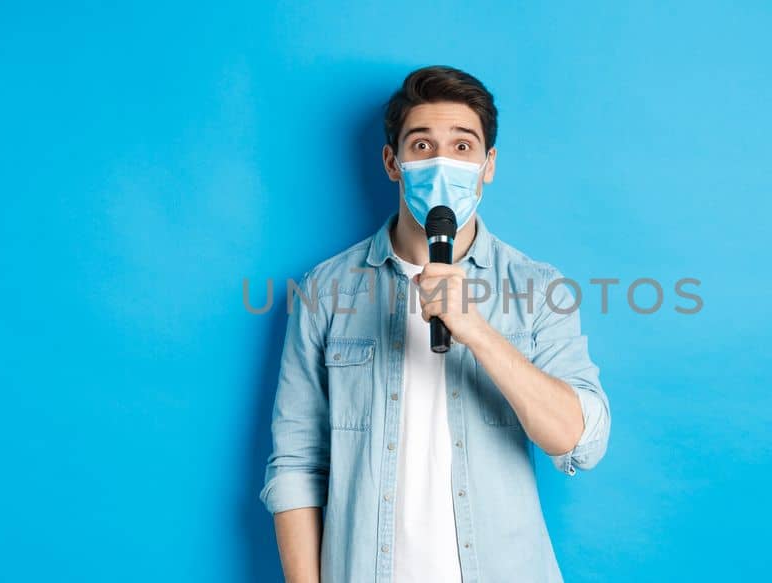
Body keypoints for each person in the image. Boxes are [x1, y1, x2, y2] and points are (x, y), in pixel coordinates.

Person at [260, 65, 611, 583]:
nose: (442, 162)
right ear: (392, 162)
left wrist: (476, 329)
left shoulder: (539, 288)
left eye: (463, 147)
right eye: (422, 146)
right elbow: (295, 466)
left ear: (488, 165)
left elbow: (579, 440)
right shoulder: (323, 290)